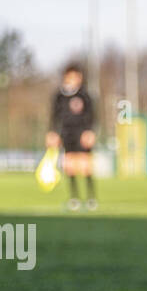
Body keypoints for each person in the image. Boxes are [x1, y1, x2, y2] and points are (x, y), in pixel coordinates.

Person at [47, 63, 97, 211]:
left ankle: (90, 198)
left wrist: (90, 131)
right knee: (70, 167)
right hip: (66, 134)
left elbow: (92, 115)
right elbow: (54, 116)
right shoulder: (59, 96)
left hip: (82, 133)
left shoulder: (85, 95)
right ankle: (74, 198)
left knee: (85, 166)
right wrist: (52, 132)